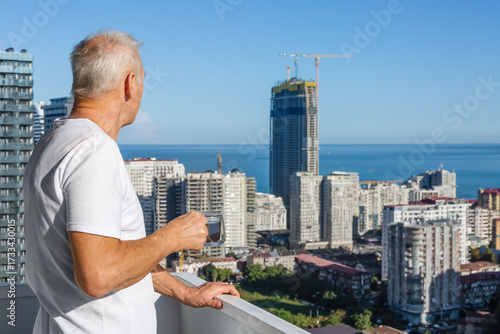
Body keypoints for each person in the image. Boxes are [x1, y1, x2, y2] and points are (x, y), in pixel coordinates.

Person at [23, 30, 239, 333]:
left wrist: (185, 292)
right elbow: (99, 274)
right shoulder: (93, 152)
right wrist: (173, 237)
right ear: (130, 83)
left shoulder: (50, 144)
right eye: (142, 79)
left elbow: (114, 257)